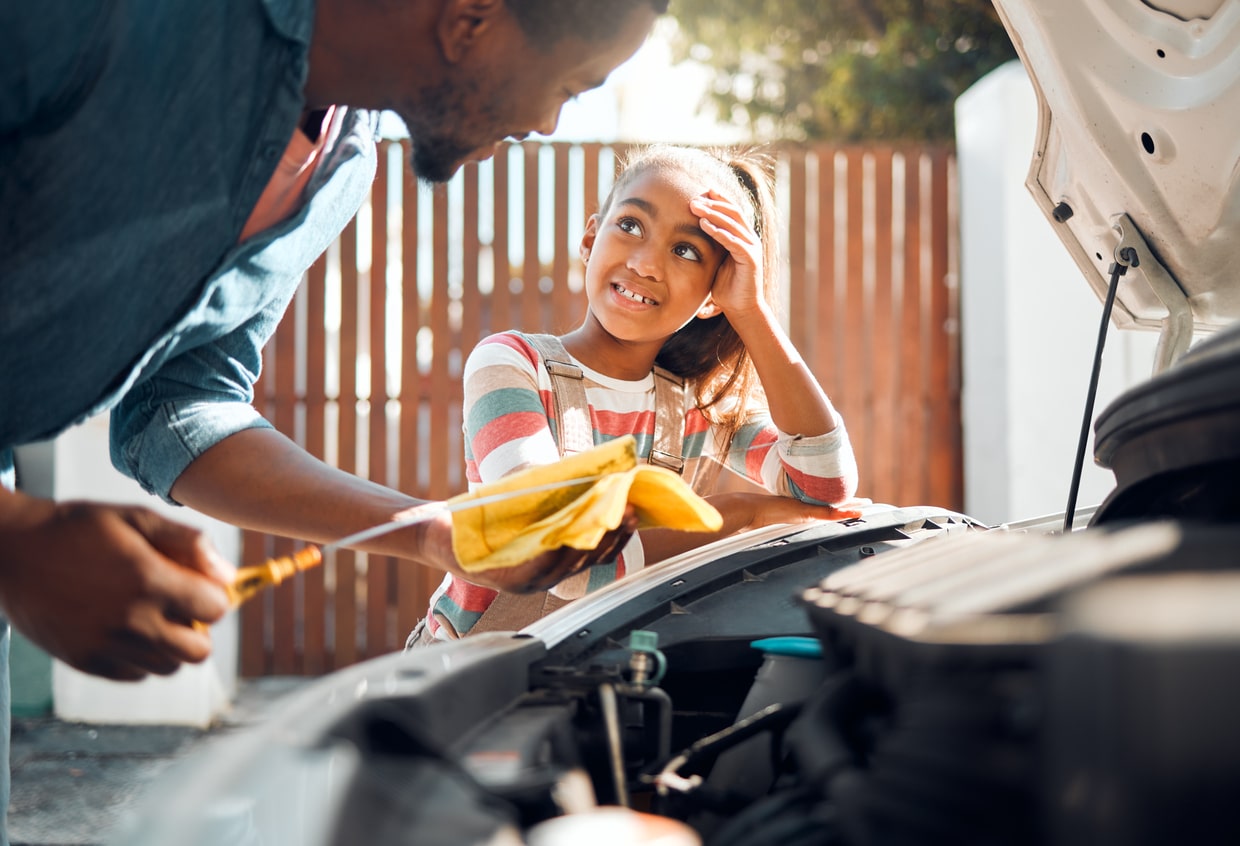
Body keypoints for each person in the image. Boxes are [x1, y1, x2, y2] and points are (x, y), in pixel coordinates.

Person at [0, 1, 665, 840]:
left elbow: (180, 404)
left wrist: (433, 531)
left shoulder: (342, 169)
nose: (546, 123)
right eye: (571, 84)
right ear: (471, 19)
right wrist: (14, 537)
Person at [412, 144, 860, 644]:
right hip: (466, 676)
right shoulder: (512, 364)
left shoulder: (694, 406)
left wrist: (751, 311)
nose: (646, 264)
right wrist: (741, 513)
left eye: (686, 250)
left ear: (715, 294)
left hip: (609, 675)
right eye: (630, 225)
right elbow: (550, 549)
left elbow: (823, 488)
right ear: (589, 237)